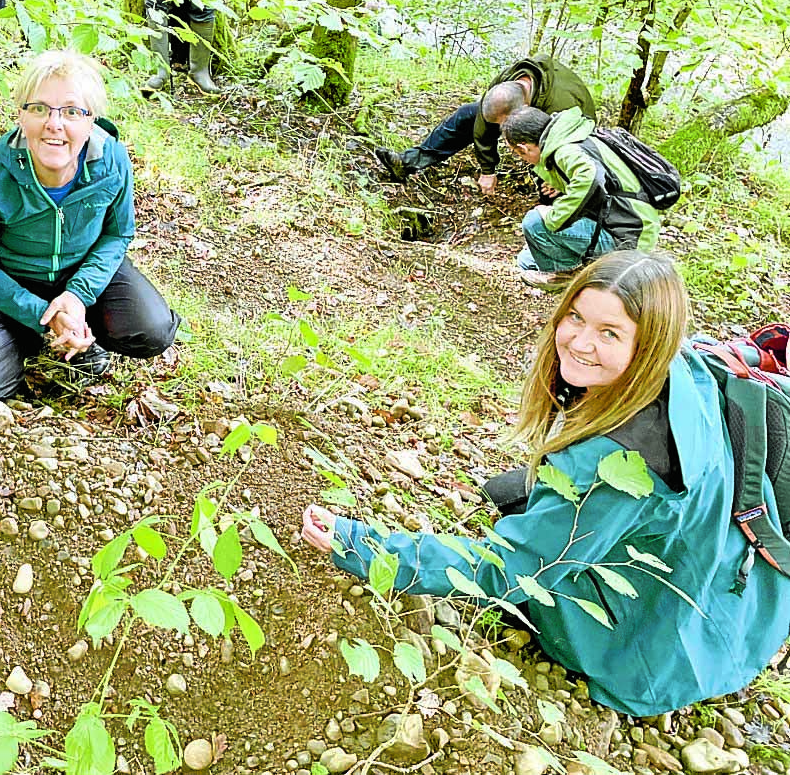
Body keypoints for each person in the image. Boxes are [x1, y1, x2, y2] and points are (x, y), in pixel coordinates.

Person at [303, 251, 790, 718]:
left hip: (656, 662)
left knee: (514, 511)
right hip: (739, 613)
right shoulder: (687, 368)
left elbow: (511, 570)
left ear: (647, 346)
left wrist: (362, 546)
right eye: (576, 317)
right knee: (518, 493)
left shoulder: (617, 460)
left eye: (609, 333)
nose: (579, 342)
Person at [0, 49, 181, 403]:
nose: (54, 124)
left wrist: (76, 296)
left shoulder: (112, 160)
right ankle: (29, 332)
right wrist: (41, 311)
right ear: (21, 116)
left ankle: (82, 334)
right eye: (39, 108)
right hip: (13, 278)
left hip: (83, 269)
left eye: (72, 111)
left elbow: (118, 233)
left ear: (91, 121)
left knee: (152, 330)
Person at [374, 55, 596, 195]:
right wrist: (488, 170)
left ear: (524, 108)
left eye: (505, 124)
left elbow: (578, 146)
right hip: (530, 116)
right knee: (466, 114)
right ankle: (408, 162)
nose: (501, 131)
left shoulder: (563, 106)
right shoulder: (505, 83)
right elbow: (483, 123)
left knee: (550, 181)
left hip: (569, 134)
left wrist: (557, 179)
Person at [502, 106, 662, 290]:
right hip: (631, 227)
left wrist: (553, 217)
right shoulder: (573, 137)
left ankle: (568, 278)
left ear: (523, 148)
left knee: (534, 223)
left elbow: (591, 178)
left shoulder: (565, 151)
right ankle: (581, 270)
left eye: (517, 152)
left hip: (626, 240)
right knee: (526, 260)